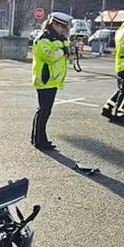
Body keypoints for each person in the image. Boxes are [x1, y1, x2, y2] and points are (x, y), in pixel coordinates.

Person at [31, 12, 71, 150]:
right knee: (43, 110)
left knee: (45, 110)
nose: (63, 30)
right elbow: (49, 57)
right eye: (62, 27)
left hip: (52, 80)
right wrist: (62, 50)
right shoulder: (43, 38)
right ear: (54, 24)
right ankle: (39, 140)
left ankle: (39, 138)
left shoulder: (57, 38)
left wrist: (66, 47)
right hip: (45, 79)